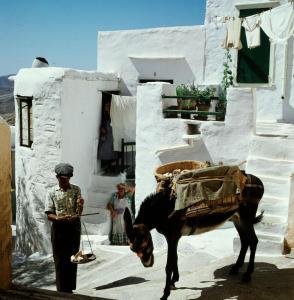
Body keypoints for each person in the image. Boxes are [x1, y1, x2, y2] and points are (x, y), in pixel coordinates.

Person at [45, 163, 84, 293]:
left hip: (74, 228)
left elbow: (79, 211)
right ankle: (61, 290)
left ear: (70, 177)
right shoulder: (51, 192)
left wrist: (80, 207)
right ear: (57, 177)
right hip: (59, 229)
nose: (65, 181)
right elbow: (49, 214)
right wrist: (59, 218)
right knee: (60, 260)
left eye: (67, 178)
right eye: (62, 179)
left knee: (73, 258)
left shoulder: (76, 189)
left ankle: (70, 288)